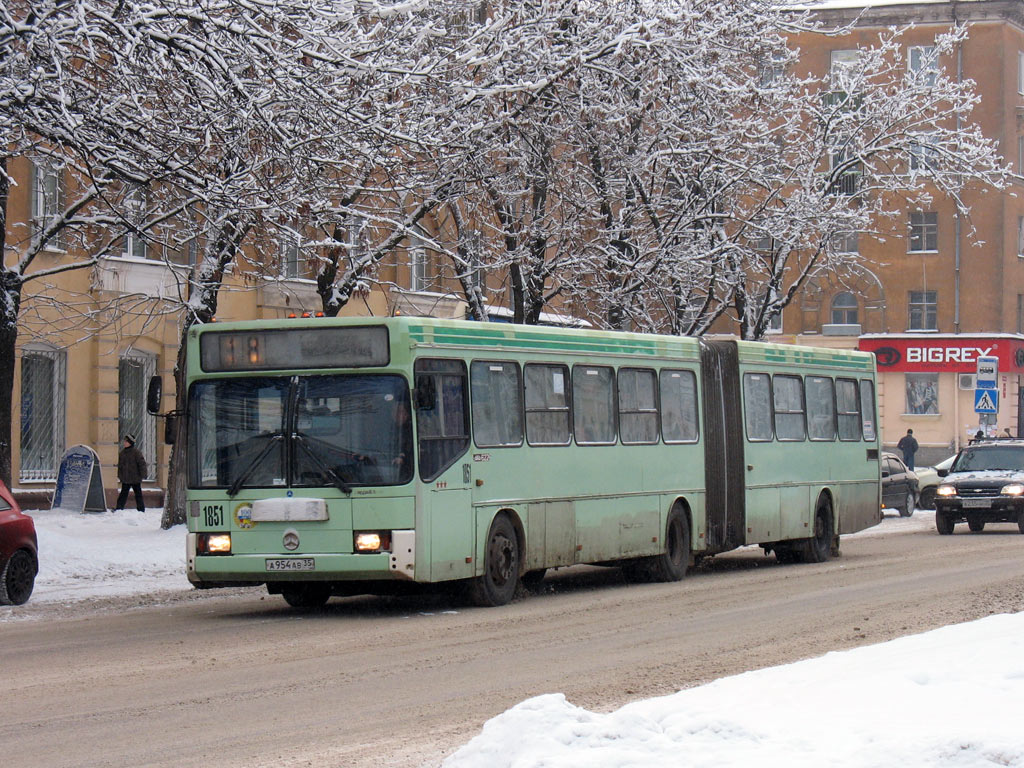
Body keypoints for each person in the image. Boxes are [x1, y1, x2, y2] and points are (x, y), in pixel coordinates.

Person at [115, 433, 147, 512]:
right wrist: (120, 475)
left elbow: (142, 464)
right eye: (124, 441)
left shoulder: (136, 453)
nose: (124, 443)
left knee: (138, 495)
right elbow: (120, 466)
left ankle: (141, 509)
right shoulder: (122, 453)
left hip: (135, 478)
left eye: (126, 441)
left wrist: (143, 474)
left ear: (130, 442)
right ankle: (119, 508)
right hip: (126, 479)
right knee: (123, 494)